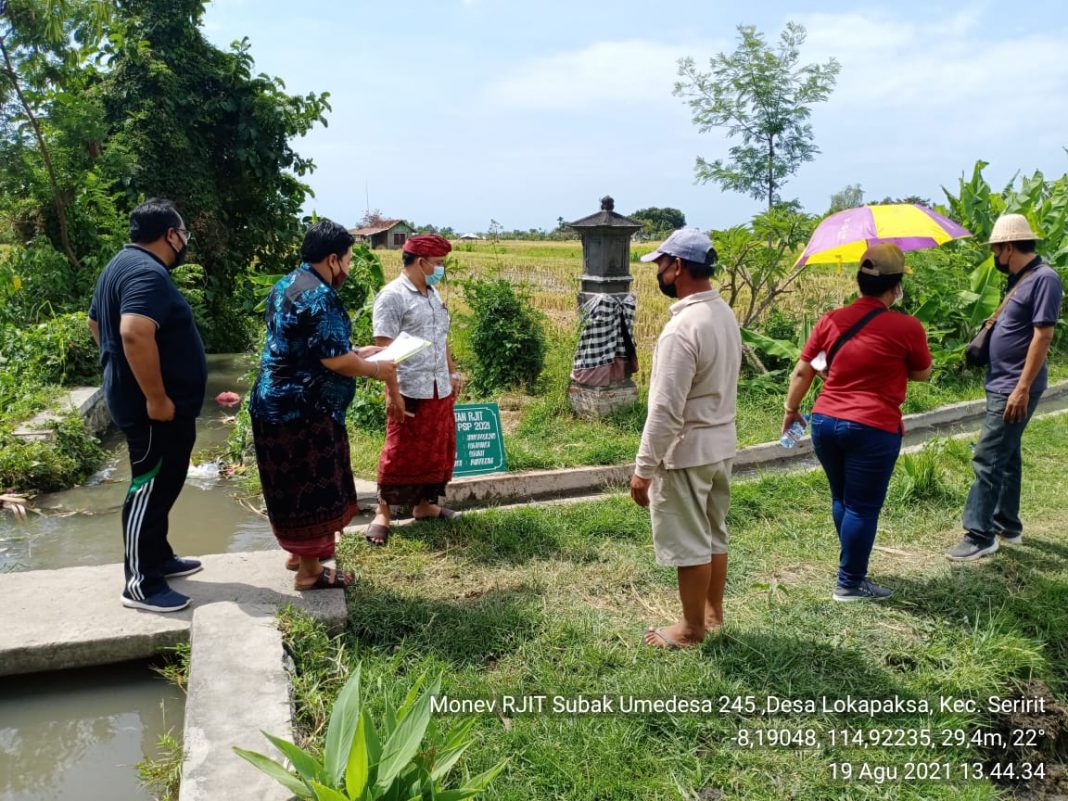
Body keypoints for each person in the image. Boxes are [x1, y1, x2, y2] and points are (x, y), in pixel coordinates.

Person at [249, 220, 398, 589]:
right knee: (311, 487)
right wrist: (376, 367)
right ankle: (311, 572)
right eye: (347, 260)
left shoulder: (287, 284)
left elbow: (309, 348)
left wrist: (358, 351)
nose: (347, 268)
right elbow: (335, 362)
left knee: (286, 485)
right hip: (304, 411)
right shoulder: (322, 295)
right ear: (333, 259)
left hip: (271, 403)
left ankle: (299, 554)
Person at [783, 243, 932, 602]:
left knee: (844, 498)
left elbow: (804, 369)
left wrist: (791, 410)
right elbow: (922, 373)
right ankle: (850, 582)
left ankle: (851, 566)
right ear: (896, 287)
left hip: (825, 421)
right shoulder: (907, 326)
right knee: (863, 507)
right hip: (873, 427)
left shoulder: (831, 320)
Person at [88, 198, 207, 613]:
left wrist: (117, 371)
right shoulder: (145, 271)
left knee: (166, 481)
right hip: (154, 409)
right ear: (170, 234)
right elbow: (134, 333)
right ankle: (140, 583)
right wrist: (155, 397)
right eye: (183, 234)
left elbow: (95, 324)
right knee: (149, 487)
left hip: (153, 405)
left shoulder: (119, 265)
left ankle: (158, 557)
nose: (184, 241)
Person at [629, 227, 741, 649]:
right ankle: (712, 614)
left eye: (660, 264)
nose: (657, 272)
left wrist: (643, 469)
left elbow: (665, 409)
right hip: (720, 443)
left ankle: (691, 630)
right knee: (713, 532)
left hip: (687, 452)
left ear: (677, 267)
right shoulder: (722, 313)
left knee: (691, 542)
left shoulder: (682, 329)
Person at [947, 214, 1063, 561]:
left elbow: (1043, 335)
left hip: (1015, 385)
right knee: (1007, 456)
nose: (995, 257)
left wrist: (1022, 387)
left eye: (996, 250)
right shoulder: (1022, 279)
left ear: (1008, 247)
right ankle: (1006, 525)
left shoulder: (1044, 279)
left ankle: (979, 534)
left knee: (988, 456)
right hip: (1003, 381)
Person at [368, 234, 464, 545]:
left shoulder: (433, 294)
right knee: (398, 451)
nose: (440, 270)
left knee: (437, 449)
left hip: (438, 387)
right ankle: (382, 512)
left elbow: (442, 338)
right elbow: (384, 349)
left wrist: (453, 373)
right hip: (408, 387)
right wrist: (392, 393)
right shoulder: (393, 296)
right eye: (437, 264)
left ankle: (425, 505)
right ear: (420, 262)